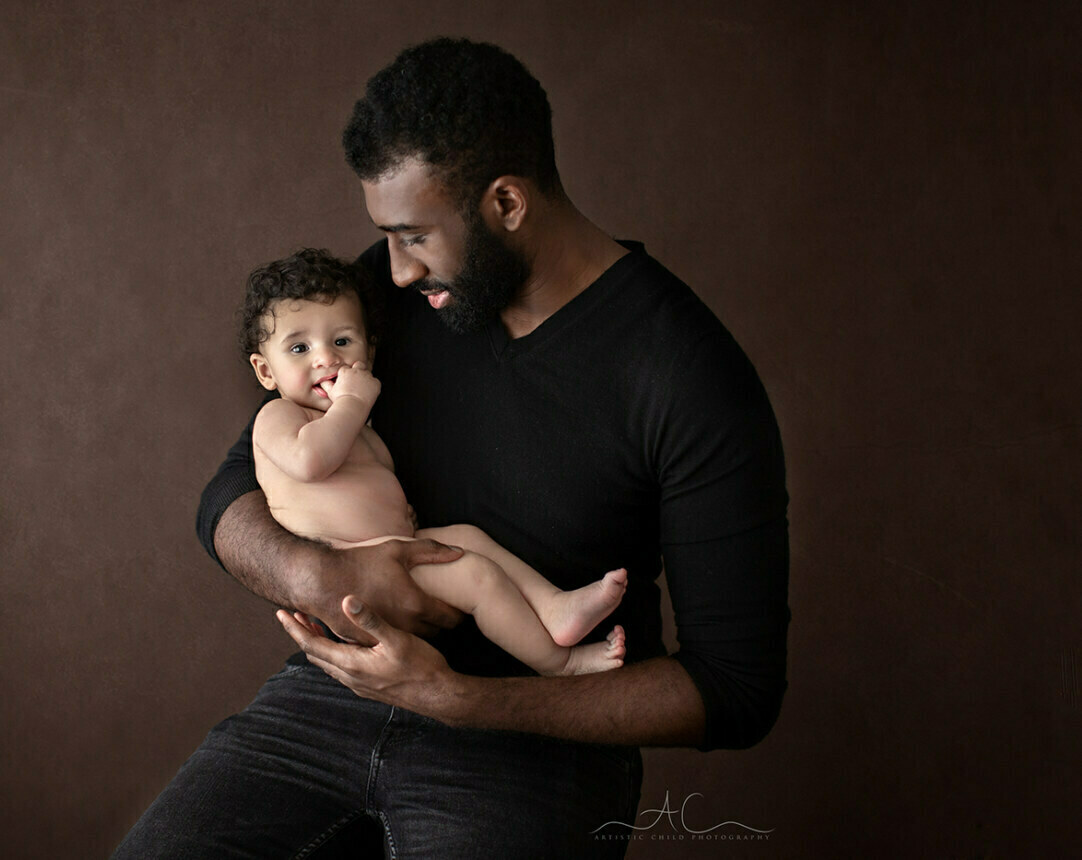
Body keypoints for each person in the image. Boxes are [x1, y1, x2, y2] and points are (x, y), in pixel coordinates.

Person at [114, 37, 788, 859]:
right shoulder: (386, 303)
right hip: (338, 693)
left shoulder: (688, 376)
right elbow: (232, 487)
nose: (393, 273)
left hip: (534, 738)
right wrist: (318, 577)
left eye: (413, 238)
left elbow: (736, 690)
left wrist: (462, 699)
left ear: (506, 203)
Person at [242, 248, 629, 677]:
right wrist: (351, 402)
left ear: (368, 350)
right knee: (479, 578)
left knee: (468, 537)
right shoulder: (278, 417)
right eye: (299, 347)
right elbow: (310, 461)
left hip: (396, 547)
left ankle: (553, 606)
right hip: (358, 574)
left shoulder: (356, 427)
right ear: (265, 371)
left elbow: (365, 484)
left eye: (342, 341)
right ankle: (560, 662)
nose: (326, 358)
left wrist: (396, 510)